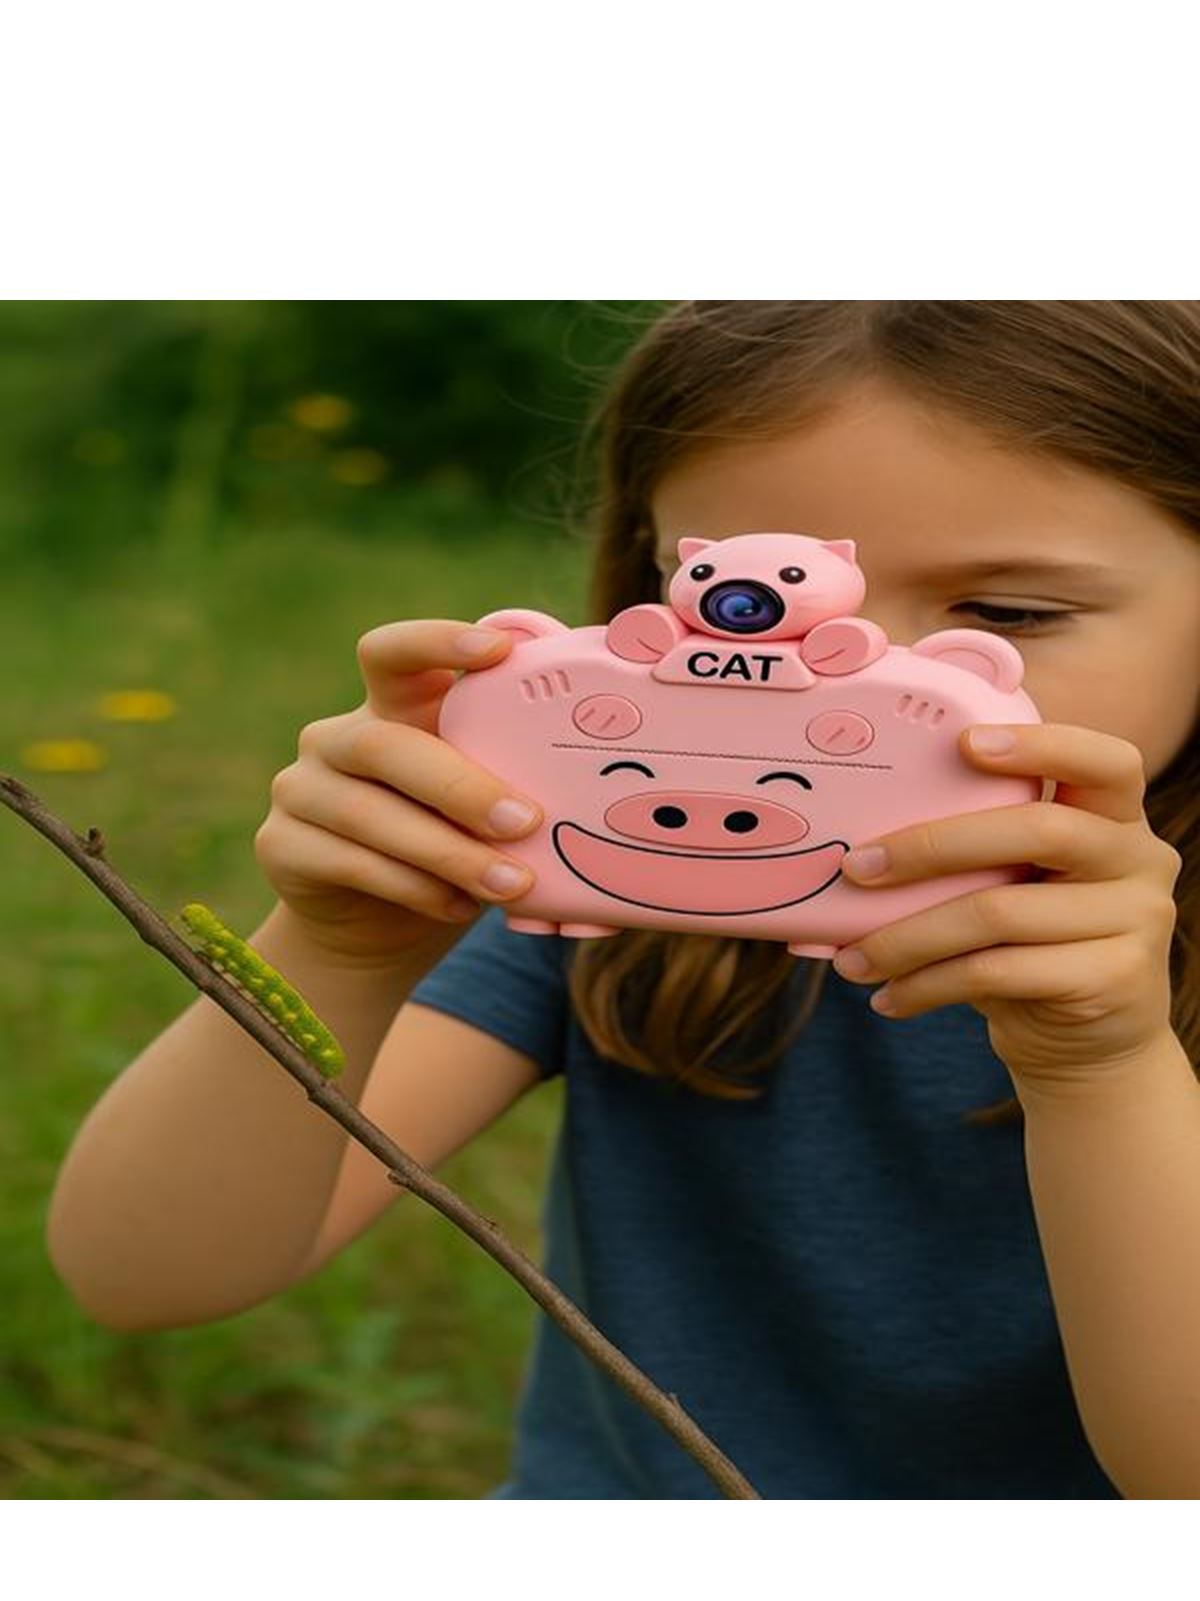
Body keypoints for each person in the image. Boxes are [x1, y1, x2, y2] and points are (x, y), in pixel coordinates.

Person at [46, 302, 1200, 1499]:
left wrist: (1101, 1070)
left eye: (1008, 615)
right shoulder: (608, 895)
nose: (849, 681)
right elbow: (143, 1273)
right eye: (742, 606)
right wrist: (342, 946)